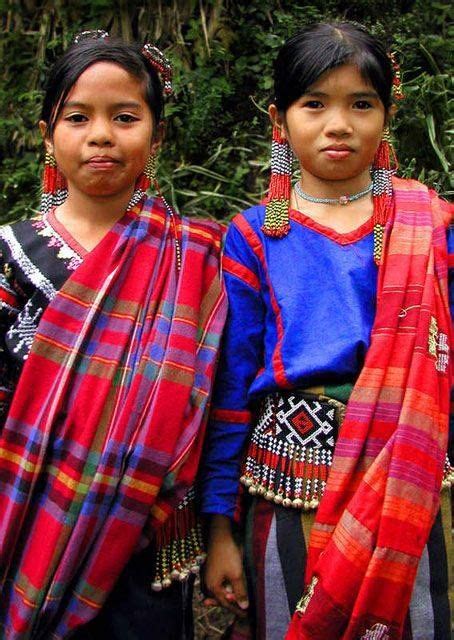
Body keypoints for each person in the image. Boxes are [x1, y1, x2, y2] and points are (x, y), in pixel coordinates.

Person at [200, 22, 453, 640]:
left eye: (361, 104)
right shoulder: (255, 234)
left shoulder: (430, 226)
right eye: (314, 103)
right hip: (288, 483)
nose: (338, 124)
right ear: (279, 121)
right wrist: (219, 527)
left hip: (411, 481)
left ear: (386, 116)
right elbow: (232, 384)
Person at [0, 31, 227, 639]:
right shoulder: (9, 256)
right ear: (50, 135)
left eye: (125, 117)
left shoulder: (197, 257)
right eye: (78, 117)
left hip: (146, 541)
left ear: (156, 136)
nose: (101, 134)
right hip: (26, 525)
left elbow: (216, 396)